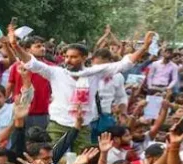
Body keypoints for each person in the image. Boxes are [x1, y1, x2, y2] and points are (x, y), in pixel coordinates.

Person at [9, 29, 155, 152]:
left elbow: (124, 64)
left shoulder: (95, 72)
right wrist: (15, 45)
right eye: (66, 57)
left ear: (84, 57)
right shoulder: (56, 72)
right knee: (52, 158)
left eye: (73, 57)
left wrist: (144, 47)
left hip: (83, 126)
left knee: (83, 163)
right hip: (58, 125)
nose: (68, 60)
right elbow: (32, 63)